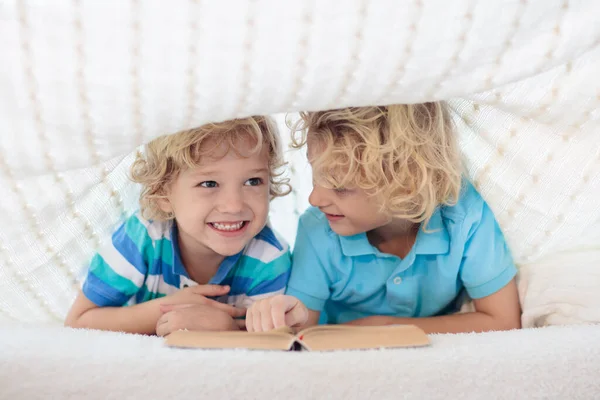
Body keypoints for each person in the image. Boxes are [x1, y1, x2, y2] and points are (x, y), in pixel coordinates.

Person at [246, 103, 521, 334]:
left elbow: (503, 320)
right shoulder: (318, 228)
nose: (315, 199)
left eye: (340, 187)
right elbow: (304, 330)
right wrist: (286, 317)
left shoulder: (462, 214)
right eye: (316, 177)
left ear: (407, 183)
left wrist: (386, 326)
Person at [65, 116, 292, 336]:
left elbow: (267, 342)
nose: (233, 205)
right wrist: (165, 310)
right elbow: (79, 320)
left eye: (253, 181)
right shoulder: (142, 237)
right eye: (209, 183)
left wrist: (225, 326)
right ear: (163, 194)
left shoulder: (269, 258)